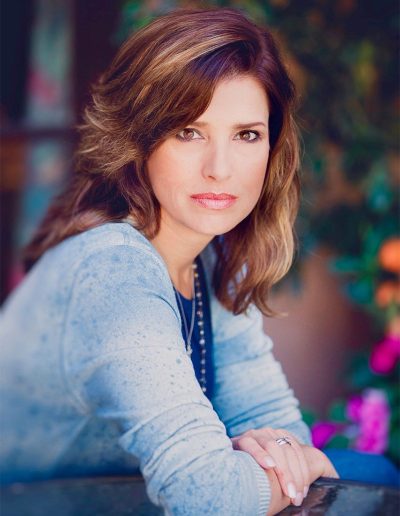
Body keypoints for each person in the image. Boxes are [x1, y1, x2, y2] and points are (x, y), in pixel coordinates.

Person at [1, 7, 349, 515]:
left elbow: (277, 427)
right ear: (139, 139)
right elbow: (208, 498)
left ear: (273, 147)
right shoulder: (113, 272)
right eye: (189, 131)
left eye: (247, 134)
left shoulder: (211, 256)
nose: (220, 168)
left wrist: (280, 455)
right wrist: (296, 465)